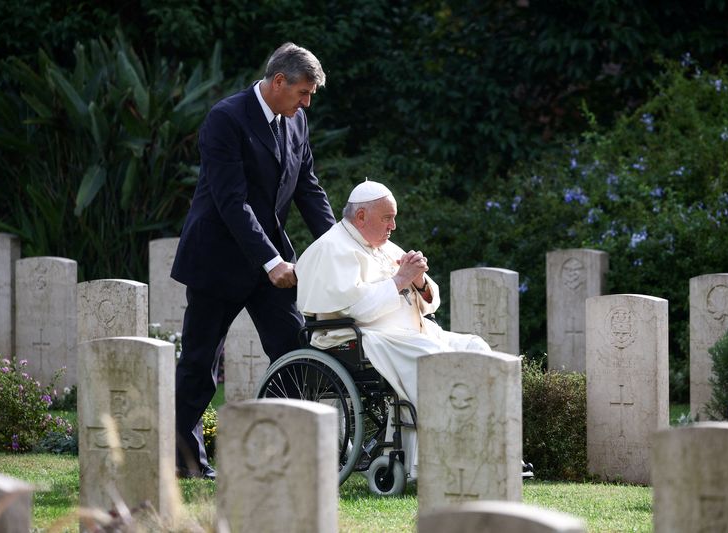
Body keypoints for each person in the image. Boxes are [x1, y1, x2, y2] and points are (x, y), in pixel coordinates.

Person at [171, 43, 336, 479]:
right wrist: (271, 261)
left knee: (295, 355)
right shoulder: (226, 118)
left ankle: (294, 456)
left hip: (270, 262)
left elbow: (309, 189)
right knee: (199, 367)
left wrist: (342, 246)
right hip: (218, 259)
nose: (306, 102)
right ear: (278, 81)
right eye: (302, 92)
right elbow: (231, 201)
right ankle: (183, 463)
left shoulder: (297, 120)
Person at [295, 180, 491, 479]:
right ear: (361, 216)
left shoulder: (385, 247)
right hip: (359, 339)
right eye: (387, 217)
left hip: (411, 333)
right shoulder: (331, 248)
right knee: (431, 356)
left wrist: (419, 281)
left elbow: (430, 301)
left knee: (475, 347)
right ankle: (436, 461)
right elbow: (356, 310)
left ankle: (484, 450)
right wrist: (400, 279)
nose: (394, 226)